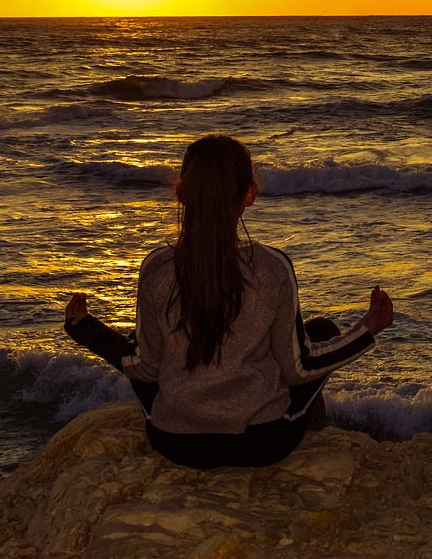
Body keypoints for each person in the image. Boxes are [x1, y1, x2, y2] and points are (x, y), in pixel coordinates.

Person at [63, 134, 393, 469]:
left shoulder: (156, 268)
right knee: (321, 331)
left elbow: (145, 368)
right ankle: (308, 423)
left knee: (141, 348)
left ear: (180, 191)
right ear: (249, 194)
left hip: (176, 444)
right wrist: (368, 329)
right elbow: (299, 370)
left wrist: (87, 329)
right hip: (261, 444)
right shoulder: (272, 268)